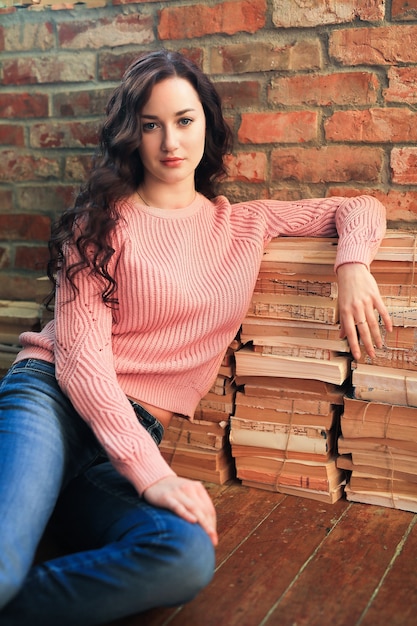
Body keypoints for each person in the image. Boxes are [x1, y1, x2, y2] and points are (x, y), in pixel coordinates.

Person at [0, 49, 392, 625]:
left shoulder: (243, 224)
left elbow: (360, 207)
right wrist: (153, 473)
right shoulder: (98, 225)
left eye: (184, 121)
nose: (169, 143)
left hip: (125, 444)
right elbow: (82, 366)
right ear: (131, 135)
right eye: (150, 125)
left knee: (182, 559)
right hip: (51, 403)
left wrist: (351, 265)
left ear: (207, 123)